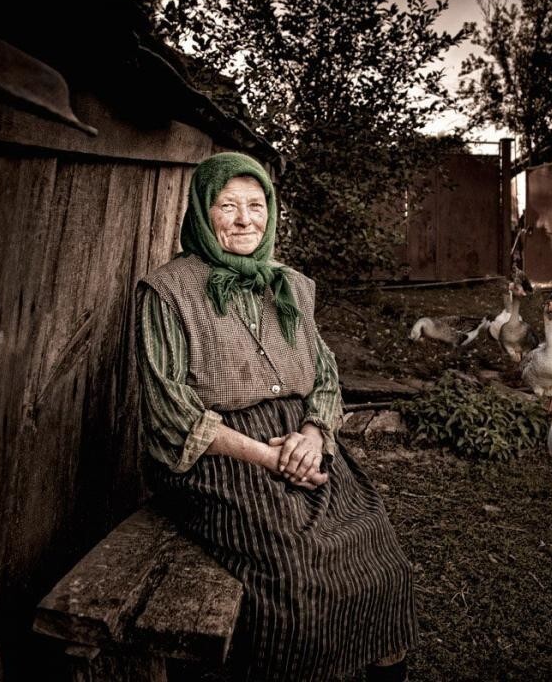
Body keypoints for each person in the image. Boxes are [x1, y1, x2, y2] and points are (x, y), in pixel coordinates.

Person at [135, 152, 418, 681]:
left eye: (256, 205)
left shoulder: (293, 284)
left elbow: (325, 374)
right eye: (228, 205)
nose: (245, 220)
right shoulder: (166, 291)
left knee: (382, 560)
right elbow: (168, 410)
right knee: (296, 572)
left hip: (302, 442)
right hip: (217, 456)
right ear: (202, 211)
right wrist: (267, 456)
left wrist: (313, 434)